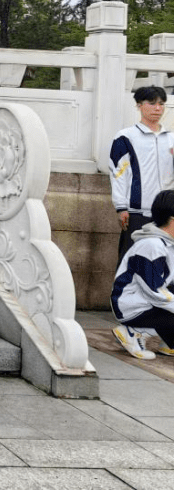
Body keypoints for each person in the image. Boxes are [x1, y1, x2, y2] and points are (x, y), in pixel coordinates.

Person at [108, 85, 174, 357]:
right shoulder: (126, 137)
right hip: (137, 210)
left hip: (168, 211)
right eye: (151, 103)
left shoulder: (172, 138)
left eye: (161, 104)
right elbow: (118, 172)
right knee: (136, 266)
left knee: (167, 270)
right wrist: (121, 206)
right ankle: (131, 321)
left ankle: (164, 334)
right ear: (139, 105)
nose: (157, 108)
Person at [111, 190, 174, 360]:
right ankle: (133, 332)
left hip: (148, 301)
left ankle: (168, 342)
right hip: (131, 306)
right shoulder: (152, 246)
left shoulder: (168, 245)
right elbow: (154, 291)